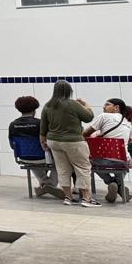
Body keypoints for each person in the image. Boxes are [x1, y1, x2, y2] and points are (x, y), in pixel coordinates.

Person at [39, 80, 99, 208]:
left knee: (62, 169)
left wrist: (43, 141)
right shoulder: (72, 104)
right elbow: (89, 117)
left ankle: (68, 197)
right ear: (69, 91)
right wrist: (86, 105)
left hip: (53, 141)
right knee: (82, 168)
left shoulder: (48, 105)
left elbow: (43, 127)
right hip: (73, 141)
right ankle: (86, 198)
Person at [84, 98, 132, 202]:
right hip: (123, 161)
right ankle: (120, 187)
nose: (103, 107)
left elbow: (86, 133)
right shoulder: (128, 122)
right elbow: (129, 139)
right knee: (123, 163)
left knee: (88, 162)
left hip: (103, 160)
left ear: (116, 107)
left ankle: (111, 182)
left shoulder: (104, 116)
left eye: (107, 104)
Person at [8, 96, 60, 198]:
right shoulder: (40, 123)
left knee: (32, 157)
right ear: (34, 109)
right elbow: (50, 142)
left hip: (23, 157)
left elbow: (12, 145)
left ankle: (44, 184)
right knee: (61, 161)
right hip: (44, 157)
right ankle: (50, 185)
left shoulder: (12, 125)